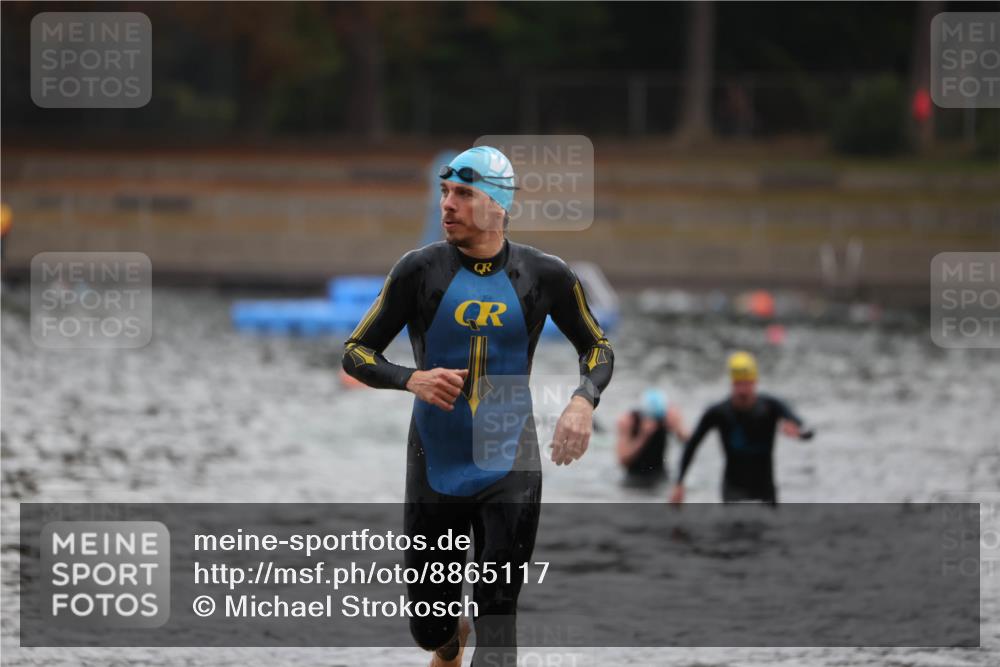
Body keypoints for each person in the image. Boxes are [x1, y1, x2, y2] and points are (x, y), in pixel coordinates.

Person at [341, 146, 614, 667]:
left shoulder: (545, 275)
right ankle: (449, 642)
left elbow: (597, 348)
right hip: (436, 460)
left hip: (508, 453)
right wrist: (411, 378)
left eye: (463, 194)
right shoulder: (418, 271)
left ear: (498, 205)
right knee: (430, 630)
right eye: (445, 192)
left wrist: (583, 400)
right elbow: (355, 352)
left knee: (498, 608)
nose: (447, 204)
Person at [669, 351, 813, 505]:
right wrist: (679, 483)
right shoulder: (718, 412)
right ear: (732, 383)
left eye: (747, 383)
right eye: (739, 384)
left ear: (755, 382)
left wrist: (798, 433)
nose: (743, 390)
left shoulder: (771, 406)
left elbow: (809, 431)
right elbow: (693, 445)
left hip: (765, 490)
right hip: (733, 490)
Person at [615, 388, 688, 488]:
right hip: (634, 477)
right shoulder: (629, 420)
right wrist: (643, 436)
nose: (654, 421)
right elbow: (623, 460)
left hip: (660, 475)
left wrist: (678, 428)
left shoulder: (667, 417)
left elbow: (690, 444)